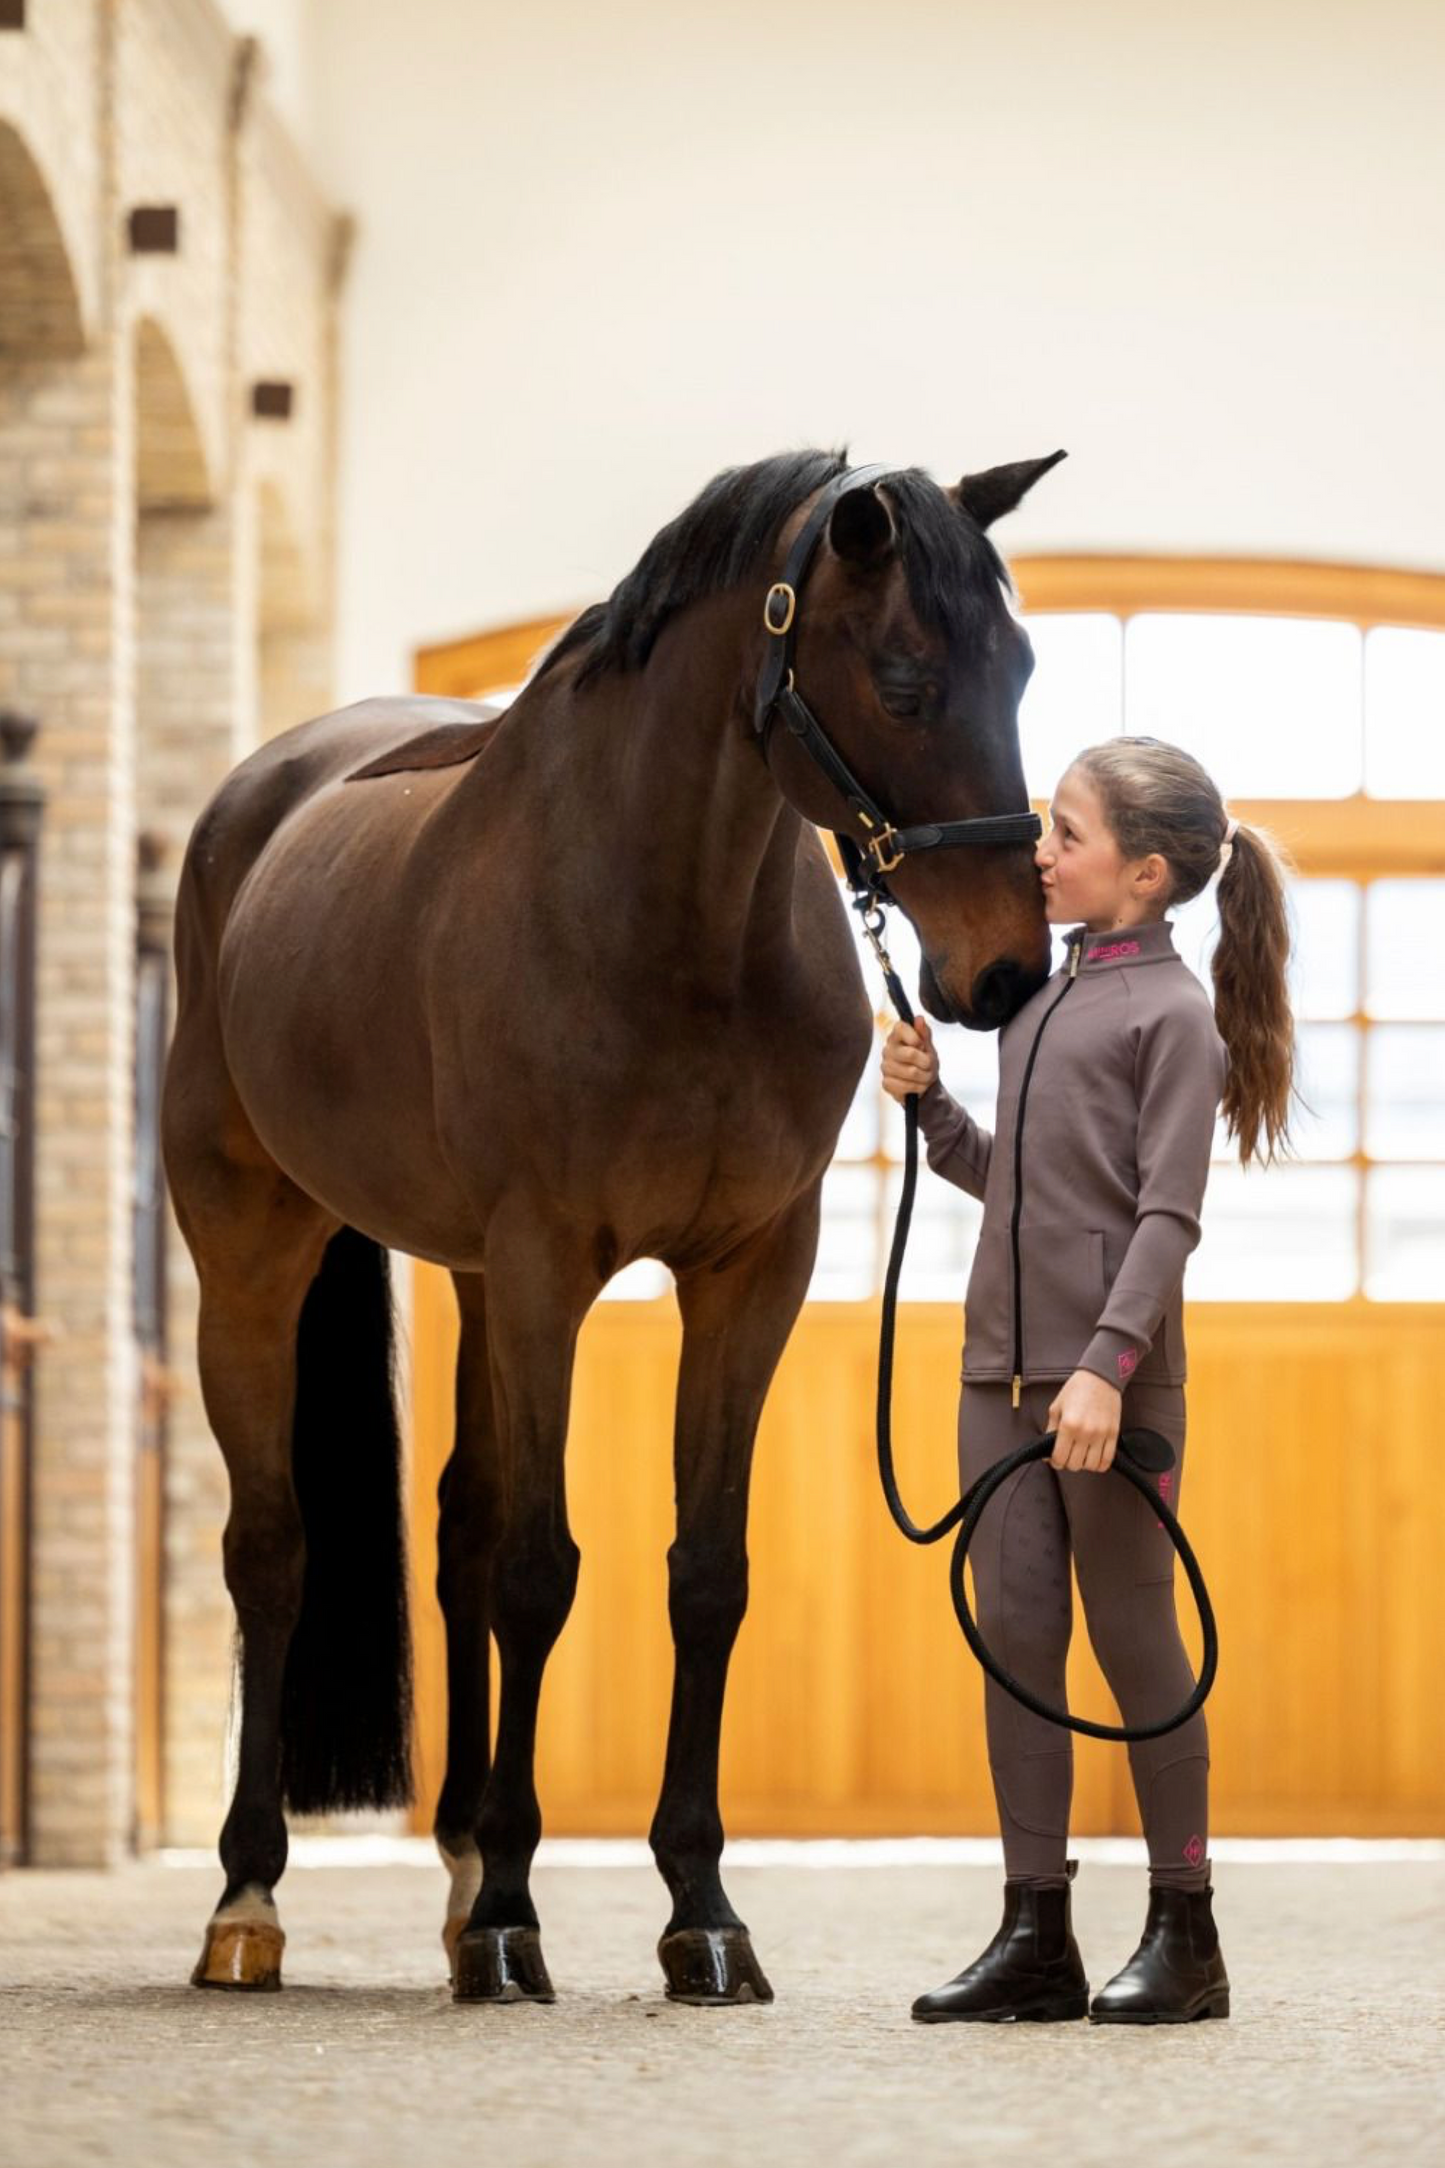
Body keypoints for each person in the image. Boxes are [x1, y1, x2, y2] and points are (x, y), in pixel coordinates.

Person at [883, 734, 1297, 2025]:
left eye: (1065, 834)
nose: (1040, 853)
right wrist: (933, 1110)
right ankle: (1036, 1934)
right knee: (1017, 1649)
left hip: (1109, 1394)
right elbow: (1020, 1188)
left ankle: (1188, 1935)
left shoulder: (1173, 1017)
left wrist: (1109, 1372)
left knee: (1132, 1638)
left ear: (1146, 873)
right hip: (998, 1381)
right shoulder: (1042, 1002)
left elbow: (1167, 1219)